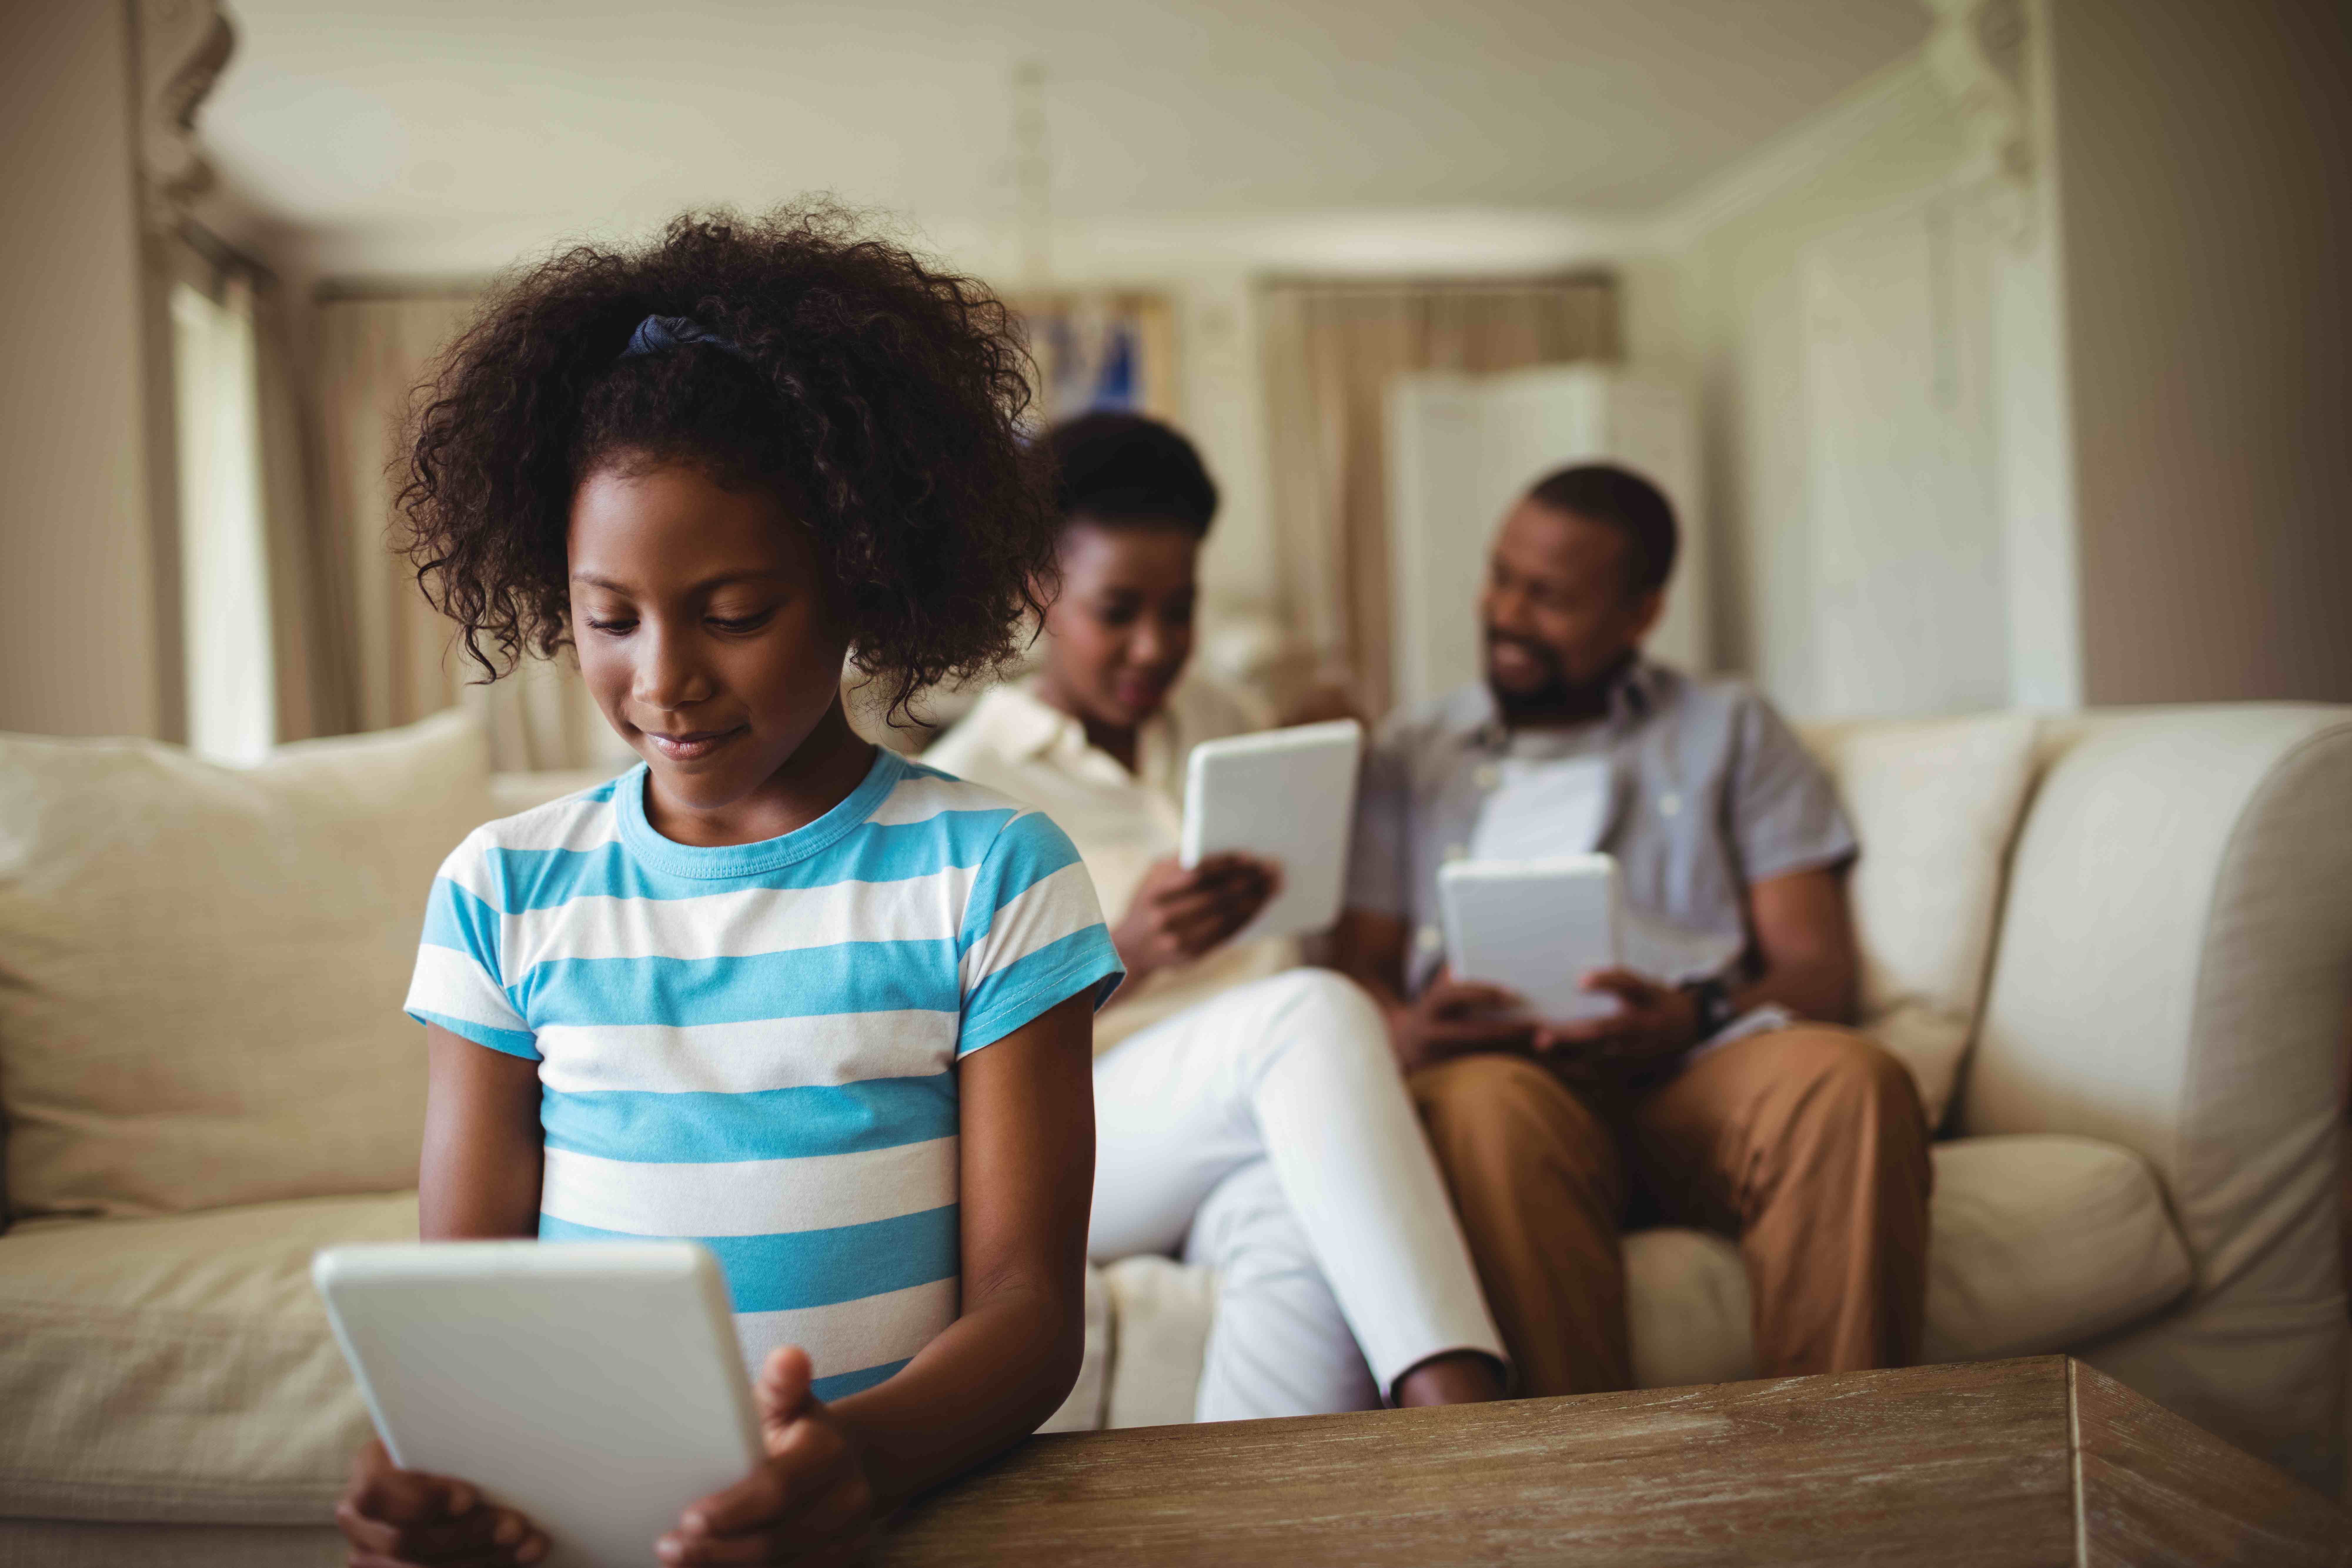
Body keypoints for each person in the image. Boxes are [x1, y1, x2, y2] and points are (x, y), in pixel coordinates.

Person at [336, 207, 1129, 1567]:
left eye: (734, 614)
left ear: (859, 579)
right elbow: (464, 1311)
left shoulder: (992, 873)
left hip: (883, 1523)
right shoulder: (500, 892)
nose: (663, 680)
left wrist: (856, 1461)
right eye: (610, 616)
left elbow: (1029, 1312)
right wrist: (432, 1475)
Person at [924, 412, 1507, 1421]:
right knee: (1309, 1010)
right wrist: (1127, 953)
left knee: (1293, 1221)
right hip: (1082, 1136)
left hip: (1268, 1108)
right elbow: (945, 1055)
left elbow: (1300, 924)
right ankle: (1461, 1405)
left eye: (1180, 610)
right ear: (1040, 588)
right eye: (1119, 612)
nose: (1155, 647)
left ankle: (1266, 1502)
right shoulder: (968, 785)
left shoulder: (1227, 723)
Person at [1333, 463, 1932, 1399]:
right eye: (1501, 578)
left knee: (1849, 1080)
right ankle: (1588, 1481)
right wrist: (1412, 1030)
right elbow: (1357, 971)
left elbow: (1817, 970)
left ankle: (1840, 1467)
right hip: (1505, 1083)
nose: (1507, 614)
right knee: (1484, 1111)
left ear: (1641, 614)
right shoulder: (1410, 755)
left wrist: (1694, 1015)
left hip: (1692, 1075)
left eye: (1550, 598)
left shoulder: (1730, 728)